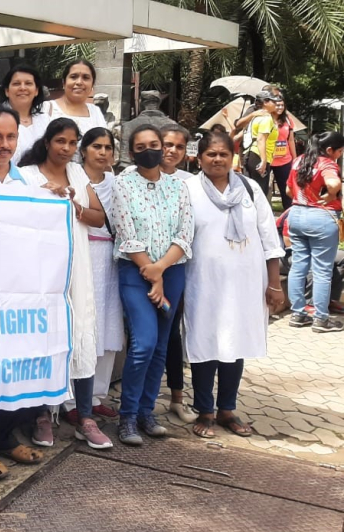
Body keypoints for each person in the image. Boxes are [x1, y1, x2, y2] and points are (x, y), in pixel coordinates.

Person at [19, 118, 111, 450]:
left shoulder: (78, 175)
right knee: (47, 335)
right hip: (42, 269)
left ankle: (85, 417)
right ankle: (43, 415)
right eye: (61, 141)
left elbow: (99, 218)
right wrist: (42, 197)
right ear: (47, 142)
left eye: (73, 144)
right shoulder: (27, 175)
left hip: (77, 265)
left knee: (80, 329)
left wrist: (74, 207)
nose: (67, 149)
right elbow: (17, 216)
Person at [185, 132, 284, 438]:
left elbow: (270, 238)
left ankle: (227, 409)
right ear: (199, 158)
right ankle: (204, 410)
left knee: (235, 342)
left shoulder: (250, 189)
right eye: (211, 154)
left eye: (223, 154)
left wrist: (275, 283)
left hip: (245, 281)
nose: (217, 159)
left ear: (233, 157)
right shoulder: (187, 188)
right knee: (204, 343)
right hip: (202, 281)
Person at [110, 124, 194, 446]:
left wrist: (160, 270)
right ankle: (127, 416)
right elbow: (125, 232)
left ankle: (147, 411)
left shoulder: (178, 187)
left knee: (161, 345)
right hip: (134, 270)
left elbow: (185, 233)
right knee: (143, 343)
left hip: (171, 271)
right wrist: (150, 270)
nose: (151, 150)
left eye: (155, 144)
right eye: (141, 146)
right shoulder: (123, 184)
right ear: (131, 153)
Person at [66, 127, 122, 425]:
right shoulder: (73, 175)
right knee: (80, 324)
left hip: (110, 260)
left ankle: (96, 394)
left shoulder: (117, 182)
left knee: (106, 325)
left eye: (108, 147)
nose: (102, 152)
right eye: (96, 146)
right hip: (81, 255)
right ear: (84, 149)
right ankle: (71, 399)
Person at [157, 124, 198, 424]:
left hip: (177, 269)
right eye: (166, 144)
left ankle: (176, 397)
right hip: (140, 268)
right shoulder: (133, 177)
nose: (171, 151)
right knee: (143, 339)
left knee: (172, 334)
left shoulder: (191, 183)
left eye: (178, 147)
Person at [286, 131, 344, 332]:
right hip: (321, 218)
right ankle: (321, 319)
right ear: (329, 150)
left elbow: (288, 191)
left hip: (296, 215)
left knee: (298, 266)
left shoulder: (299, 161)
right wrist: (331, 194)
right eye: (340, 151)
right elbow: (334, 183)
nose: (339, 155)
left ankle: (298, 314)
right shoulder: (327, 163)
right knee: (322, 271)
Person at [44, 59, 107, 159]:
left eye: (86, 78)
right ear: (64, 82)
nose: (79, 82)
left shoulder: (96, 112)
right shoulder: (47, 109)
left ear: (92, 85)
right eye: (74, 77)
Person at [0, 64, 50, 165]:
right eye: (16, 84)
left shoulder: (46, 120)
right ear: (7, 91)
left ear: (36, 91)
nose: (22, 88)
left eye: (28, 83)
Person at [243, 90, 279, 194]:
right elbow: (261, 139)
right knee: (260, 192)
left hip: (250, 154)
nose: (276, 104)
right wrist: (263, 160)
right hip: (258, 155)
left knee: (250, 190)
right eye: (273, 101)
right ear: (266, 102)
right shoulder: (266, 118)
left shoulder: (257, 117)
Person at [271, 94, 297, 209]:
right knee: (264, 190)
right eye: (277, 105)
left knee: (286, 191)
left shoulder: (288, 120)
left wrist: (295, 159)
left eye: (282, 105)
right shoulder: (266, 119)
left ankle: (287, 218)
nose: (280, 107)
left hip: (285, 161)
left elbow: (291, 140)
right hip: (268, 160)